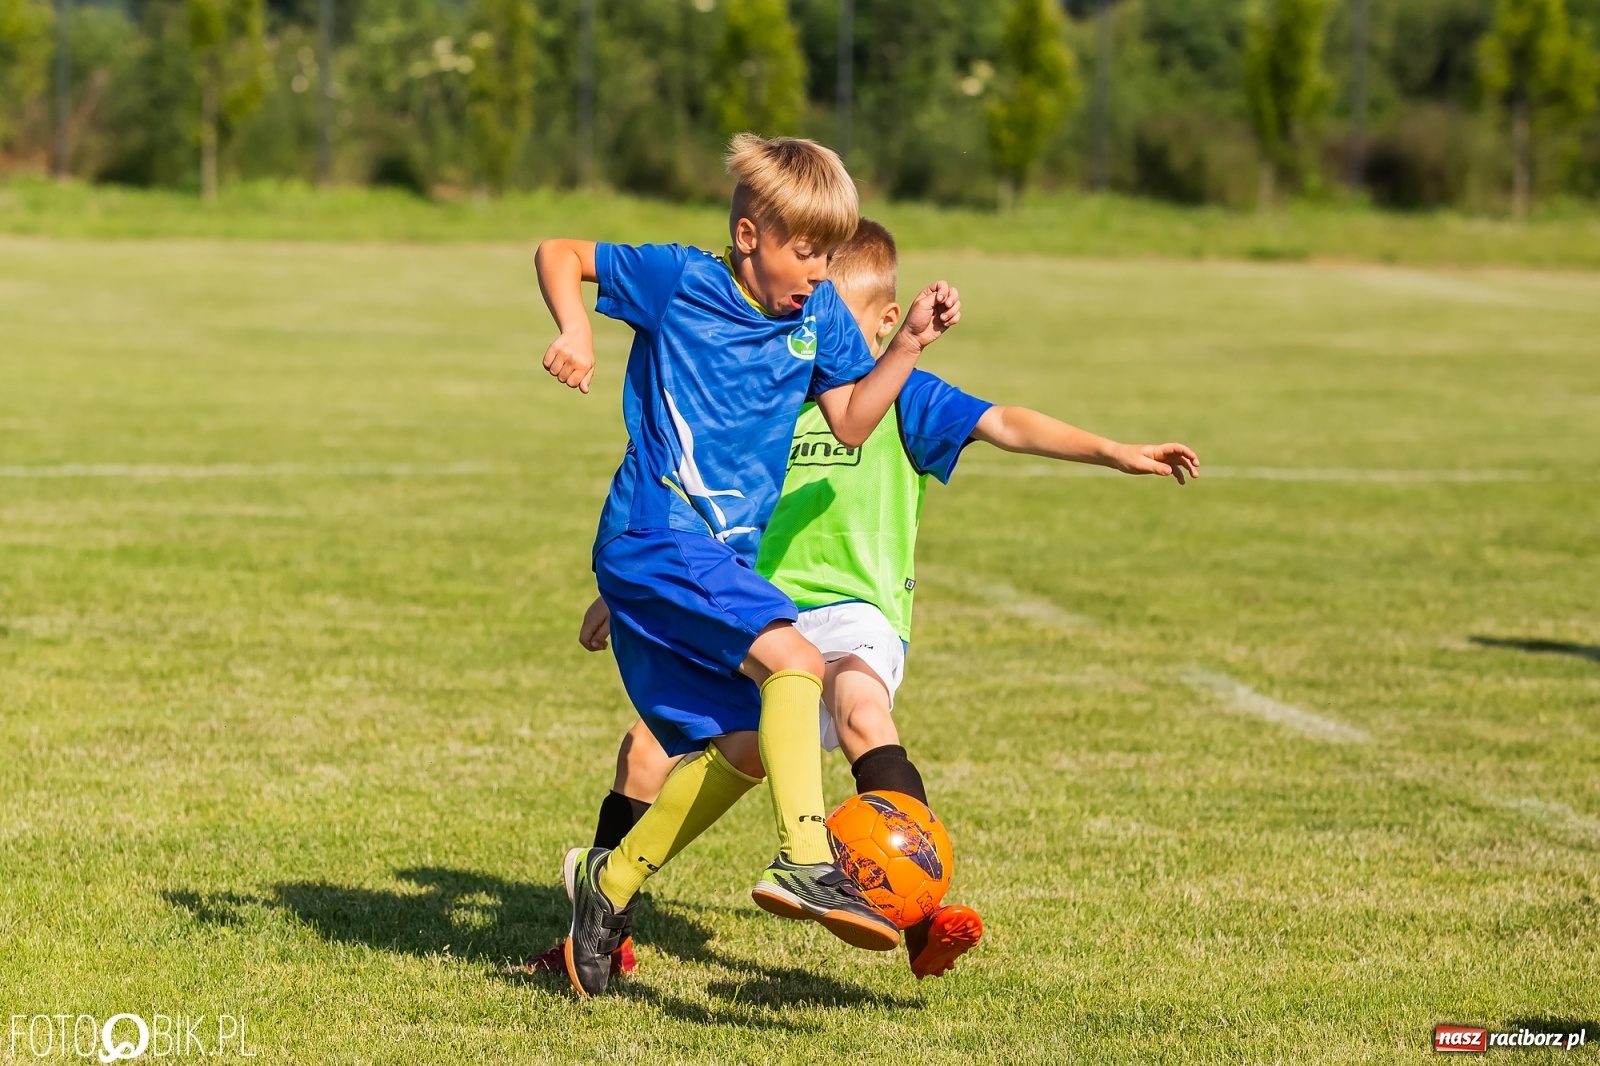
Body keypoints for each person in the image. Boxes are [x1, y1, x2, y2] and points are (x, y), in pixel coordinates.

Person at [532, 219, 1199, 982]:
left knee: (858, 710)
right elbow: (700, 515)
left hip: (850, 612)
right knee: (647, 751)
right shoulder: (767, 388)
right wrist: (624, 598)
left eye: (833, 315)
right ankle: (604, 914)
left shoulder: (895, 397)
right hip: (755, 601)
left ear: (878, 323)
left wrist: (1114, 450)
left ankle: (912, 912)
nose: (816, 330)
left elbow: (1003, 420)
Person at [535, 136, 961, 997]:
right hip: (654, 535)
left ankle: (607, 888)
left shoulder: (820, 319)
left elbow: (848, 421)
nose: (816, 272)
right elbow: (560, 252)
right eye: (804, 252)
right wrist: (575, 327)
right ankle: (808, 859)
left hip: (712, 561)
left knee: (751, 743)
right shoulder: (679, 281)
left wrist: (907, 344)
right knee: (796, 660)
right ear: (748, 236)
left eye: (827, 255)